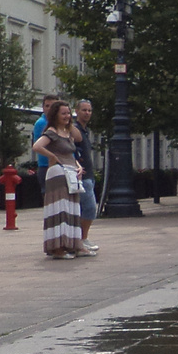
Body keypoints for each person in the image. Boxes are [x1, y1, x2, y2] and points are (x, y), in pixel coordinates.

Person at [33, 100, 85, 258]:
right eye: (63, 113)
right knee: (60, 210)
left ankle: (73, 244)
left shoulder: (67, 132)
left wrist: (79, 166)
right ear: (55, 115)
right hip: (58, 174)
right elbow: (37, 146)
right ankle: (57, 248)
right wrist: (52, 156)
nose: (67, 116)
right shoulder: (52, 132)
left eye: (69, 113)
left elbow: (72, 149)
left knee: (72, 210)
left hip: (71, 173)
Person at [73, 100, 99, 250]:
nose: (87, 113)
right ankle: (82, 238)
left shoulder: (84, 131)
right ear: (77, 111)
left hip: (88, 175)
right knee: (89, 208)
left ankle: (82, 237)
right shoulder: (76, 130)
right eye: (84, 110)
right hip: (82, 176)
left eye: (89, 110)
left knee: (85, 208)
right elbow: (73, 151)